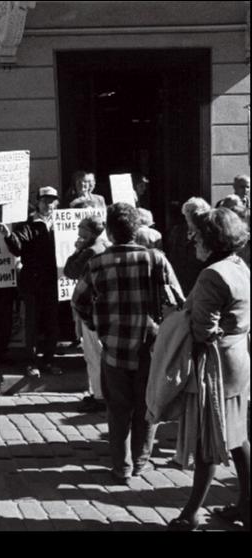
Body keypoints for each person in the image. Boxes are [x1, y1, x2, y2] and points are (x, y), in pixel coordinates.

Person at [72, 203, 183, 485]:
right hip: (150, 346)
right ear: (136, 230)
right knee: (147, 407)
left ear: (109, 230)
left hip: (114, 348)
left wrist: (98, 326)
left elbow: (79, 302)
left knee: (118, 408)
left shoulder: (97, 263)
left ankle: (121, 466)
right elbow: (178, 302)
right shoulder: (155, 259)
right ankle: (140, 462)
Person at [168, 208, 250, 531]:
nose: (193, 241)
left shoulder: (212, 274)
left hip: (216, 366)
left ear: (211, 239)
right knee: (236, 436)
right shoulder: (239, 265)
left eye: (198, 235)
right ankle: (246, 503)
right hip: (237, 360)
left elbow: (203, 329)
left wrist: (177, 318)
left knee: (209, 437)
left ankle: (190, 513)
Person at [0, 186, 62, 377]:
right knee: (32, 323)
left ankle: (49, 361)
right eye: (45, 201)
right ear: (38, 202)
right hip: (33, 282)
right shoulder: (29, 224)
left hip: (54, 281)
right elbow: (17, 248)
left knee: (52, 323)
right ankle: (31, 363)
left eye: (52, 201)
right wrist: (8, 235)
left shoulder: (62, 222)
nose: (49, 204)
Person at [63, 215, 110, 413]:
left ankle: (99, 395)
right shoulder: (107, 245)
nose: (78, 231)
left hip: (91, 308)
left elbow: (71, 271)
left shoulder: (91, 250)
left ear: (90, 232)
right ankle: (102, 392)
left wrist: (77, 249)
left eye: (81, 227)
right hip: (104, 308)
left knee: (93, 353)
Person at [165, 197, 211, 297]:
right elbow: (171, 251)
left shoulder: (206, 232)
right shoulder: (177, 230)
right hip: (179, 277)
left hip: (198, 277)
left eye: (193, 211)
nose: (189, 213)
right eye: (187, 210)